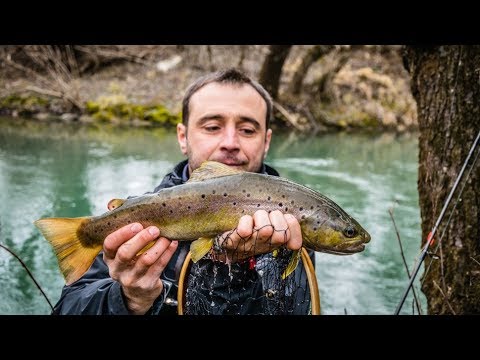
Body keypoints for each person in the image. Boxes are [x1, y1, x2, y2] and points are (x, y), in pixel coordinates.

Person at [52, 68, 315, 315]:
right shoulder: (137, 220)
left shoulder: (290, 221)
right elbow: (68, 307)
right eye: (212, 127)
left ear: (266, 141)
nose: (230, 143)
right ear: (182, 137)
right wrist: (128, 299)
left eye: (247, 130)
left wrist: (237, 272)